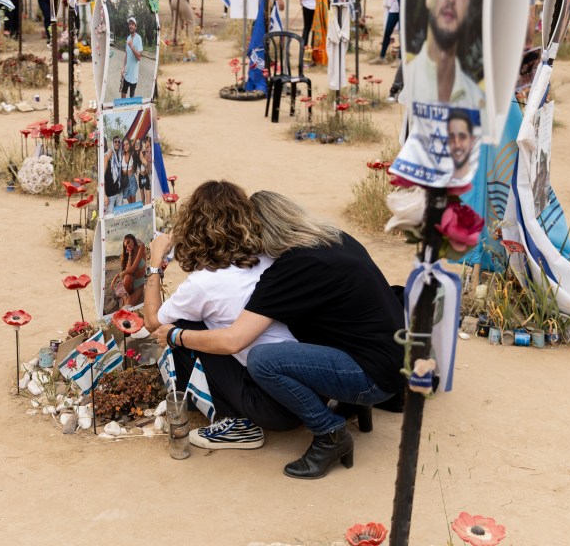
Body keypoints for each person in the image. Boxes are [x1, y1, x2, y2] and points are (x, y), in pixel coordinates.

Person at [151, 191, 404, 477]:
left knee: (263, 359)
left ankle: (330, 434)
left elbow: (235, 339)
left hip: (370, 375)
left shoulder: (293, 267)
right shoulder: (335, 238)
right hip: (388, 356)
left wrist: (177, 336)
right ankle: (352, 404)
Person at [143, 181, 301, 449]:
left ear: (192, 225)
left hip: (270, 406)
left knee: (181, 326)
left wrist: (154, 264)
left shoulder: (204, 283)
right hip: (302, 388)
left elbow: (152, 322)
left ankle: (238, 423)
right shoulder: (268, 257)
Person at [110, 234, 146, 307]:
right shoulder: (130, 254)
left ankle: (124, 297)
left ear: (133, 239)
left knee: (128, 305)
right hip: (132, 283)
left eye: (128, 242)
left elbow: (132, 269)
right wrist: (129, 254)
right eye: (126, 246)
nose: (128, 246)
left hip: (140, 283)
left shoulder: (141, 246)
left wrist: (117, 275)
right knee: (127, 277)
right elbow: (128, 270)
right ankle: (126, 295)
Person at [120, 16, 143, 98]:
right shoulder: (128, 38)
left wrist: (131, 46)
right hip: (127, 74)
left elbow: (139, 57)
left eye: (132, 24)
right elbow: (126, 54)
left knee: (131, 98)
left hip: (134, 76)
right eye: (129, 24)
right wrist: (123, 67)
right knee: (123, 94)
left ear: (135, 27)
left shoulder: (139, 38)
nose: (131, 26)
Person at [448, 110, 475, 181]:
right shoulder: (440, 183)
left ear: (472, 141)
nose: (457, 145)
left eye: (462, 137)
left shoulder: (480, 183)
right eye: (452, 137)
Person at [103, 136, 123, 211]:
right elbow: (102, 178)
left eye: (118, 142)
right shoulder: (106, 158)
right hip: (110, 196)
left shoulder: (120, 157)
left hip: (119, 194)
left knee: (119, 219)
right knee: (109, 220)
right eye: (115, 142)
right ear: (112, 143)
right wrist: (104, 195)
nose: (117, 143)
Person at [120, 137, 139, 204]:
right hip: (124, 181)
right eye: (124, 145)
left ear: (130, 144)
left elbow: (138, 161)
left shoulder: (133, 154)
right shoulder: (121, 154)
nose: (125, 146)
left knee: (133, 202)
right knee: (129, 203)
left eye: (127, 144)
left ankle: (135, 213)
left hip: (131, 179)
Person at [137, 136, 152, 204]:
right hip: (140, 176)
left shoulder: (149, 151)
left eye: (145, 142)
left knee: (148, 197)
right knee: (142, 197)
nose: (144, 144)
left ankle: (148, 211)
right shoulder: (138, 152)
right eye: (143, 143)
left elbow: (147, 164)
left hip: (147, 175)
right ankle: (144, 210)